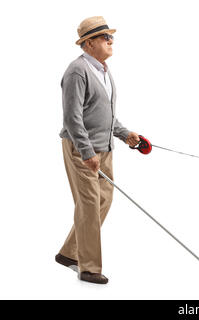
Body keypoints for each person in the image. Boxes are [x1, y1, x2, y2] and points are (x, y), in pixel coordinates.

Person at [56, 16, 140, 284]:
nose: (111, 41)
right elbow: (72, 118)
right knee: (90, 205)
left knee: (103, 201)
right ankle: (89, 267)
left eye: (111, 36)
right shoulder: (76, 71)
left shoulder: (103, 70)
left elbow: (104, 114)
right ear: (89, 43)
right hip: (82, 150)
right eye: (105, 37)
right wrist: (86, 151)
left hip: (104, 148)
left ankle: (69, 253)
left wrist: (126, 135)